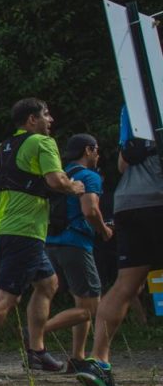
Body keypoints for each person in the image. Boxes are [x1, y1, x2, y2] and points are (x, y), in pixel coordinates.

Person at [0, 98, 84, 385]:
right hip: (26, 231)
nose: (51, 120)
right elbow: (56, 180)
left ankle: (37, 350)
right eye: (46, 115)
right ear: (32, 120)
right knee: (7, 297)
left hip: (9, 229)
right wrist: (75, 187)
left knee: (48, 284)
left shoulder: (3, 148)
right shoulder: (43, 143)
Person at [76, 106, 163, 386]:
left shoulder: (134, 100)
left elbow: (123, 163)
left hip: (129, 201)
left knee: (126, 284)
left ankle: (99, 359)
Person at [43, 134, 113, 371]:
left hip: (52, 243)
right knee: (92, 308)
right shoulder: (88, 176)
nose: (98, 155)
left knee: (80, 301)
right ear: (88, 150)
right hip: (76, 244)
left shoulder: (60, 176)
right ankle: (37, 332)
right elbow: (90, 210)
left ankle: (77, 358)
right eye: (97, 150)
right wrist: (104, 230)